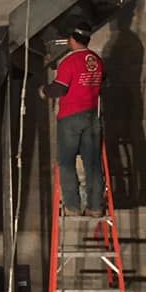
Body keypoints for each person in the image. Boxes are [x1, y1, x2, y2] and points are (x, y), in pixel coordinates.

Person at [39, 23, 105, 217]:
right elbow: (103, 81)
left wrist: (44, 91)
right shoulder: (97, 61)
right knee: (92, 163)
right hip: (92, 116)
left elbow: (60, 89)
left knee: (66, 162)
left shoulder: (70, 62)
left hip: (71, 118)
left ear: (73, 40)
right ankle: (95, 207)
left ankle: (73, 206)